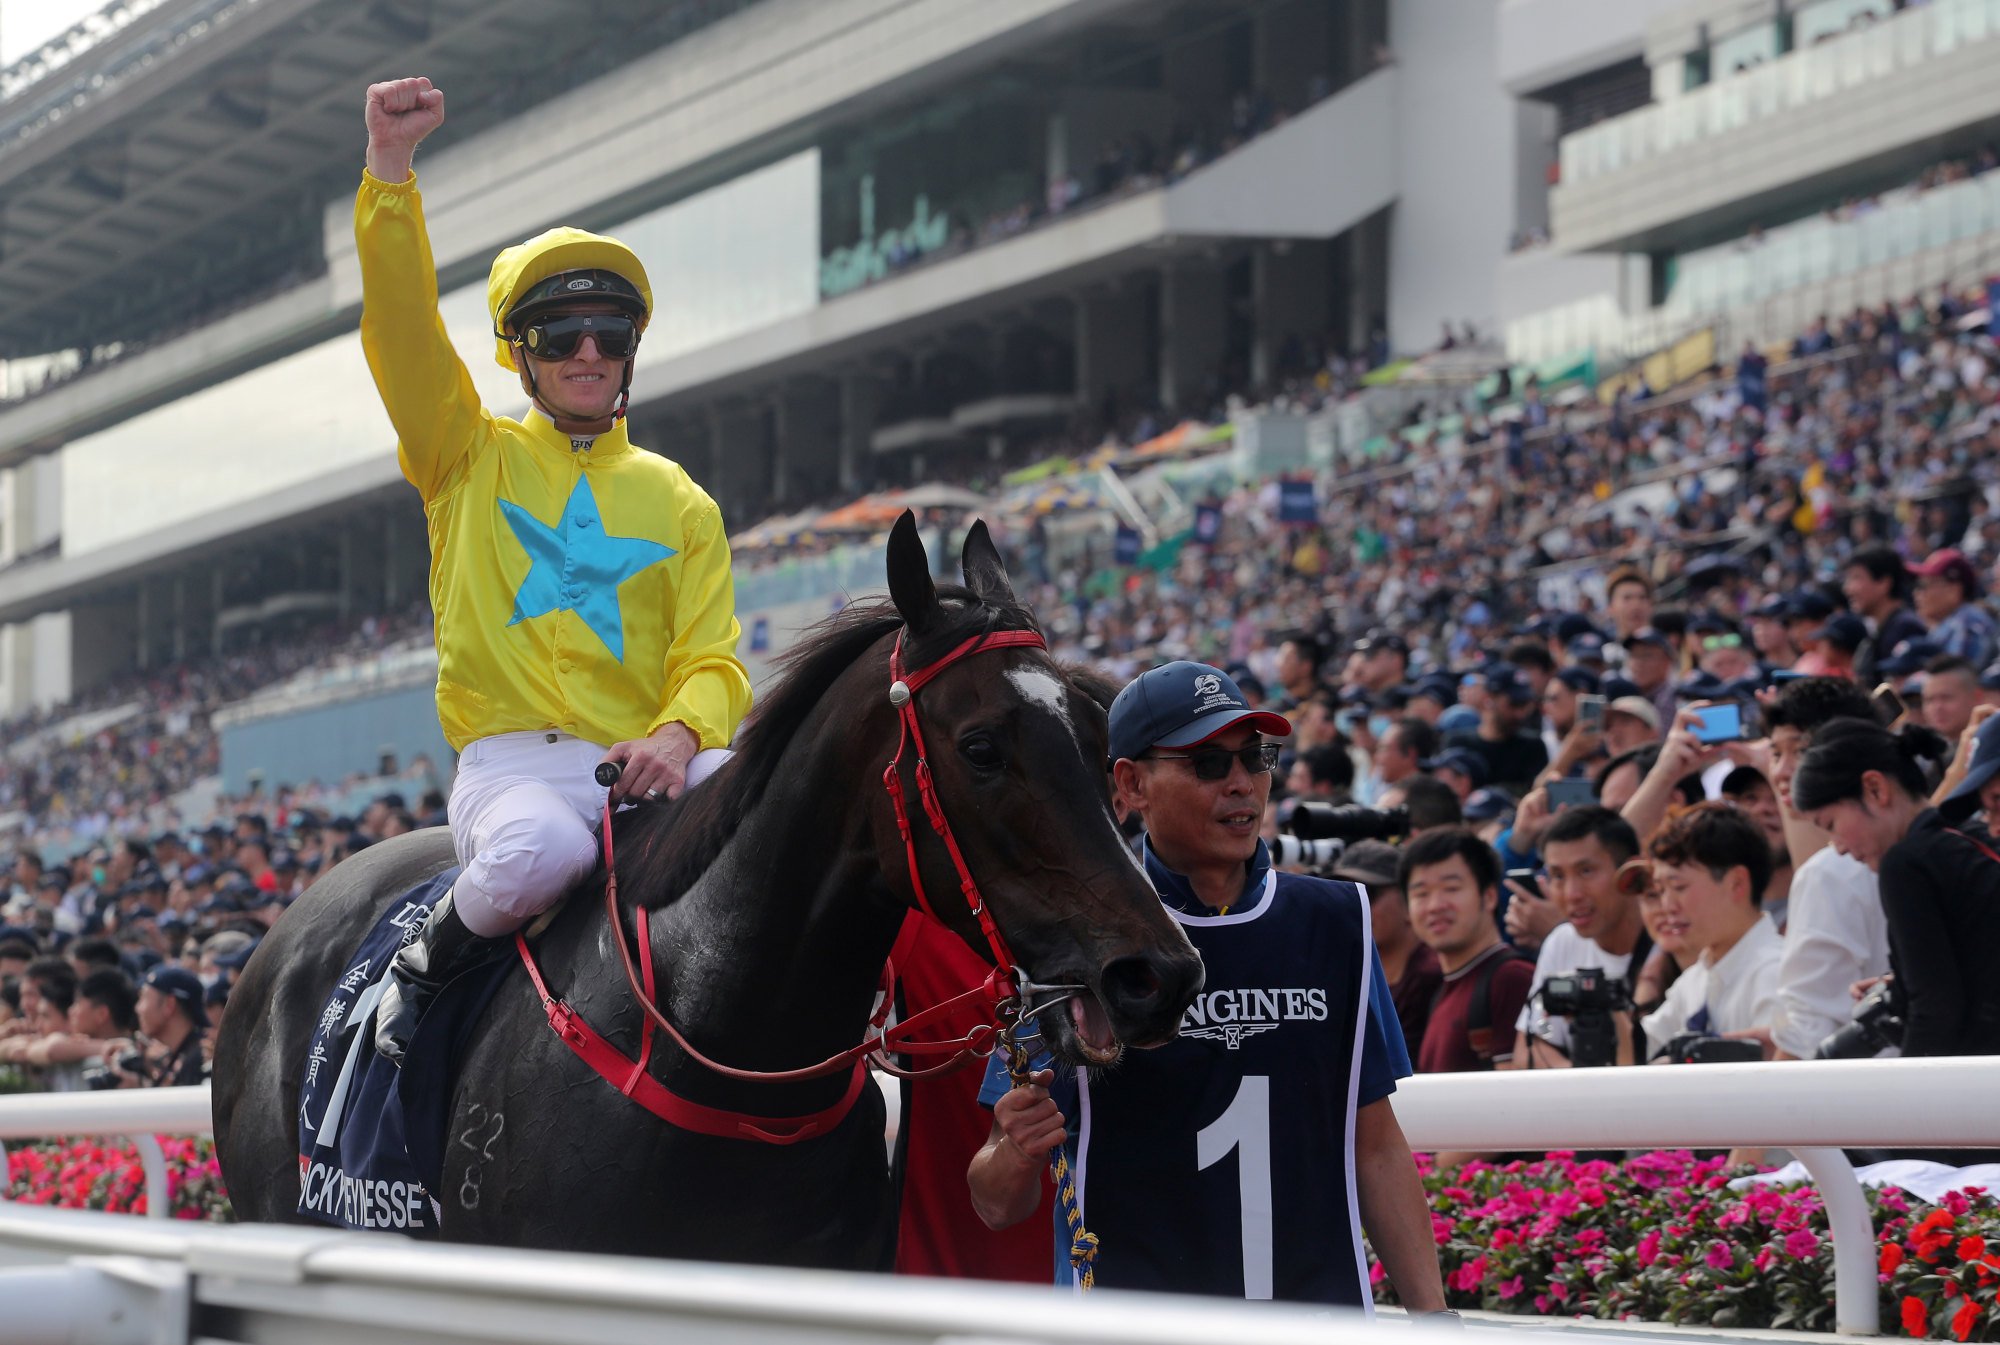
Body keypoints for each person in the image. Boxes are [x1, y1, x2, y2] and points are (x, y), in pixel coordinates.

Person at [356, 76, 753, 1060]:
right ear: (518, 352)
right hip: (514, 772)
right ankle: (418, 969)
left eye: (609, 334)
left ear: (629, 352)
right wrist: (390, 175)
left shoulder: (680, 498)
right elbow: (403, 333)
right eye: (558, 334)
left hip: (652, 762)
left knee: (776, 804)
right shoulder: (463, 453)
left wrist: (677, 732)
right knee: (543, 852)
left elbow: (713, 659)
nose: (587, 351)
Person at [968, 661, 1446, 1315]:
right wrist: (1015, 1148)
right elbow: (996, 1202)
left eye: (1255, 757)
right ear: (1131, 784)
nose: (1242, 783)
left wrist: (1436, 1319)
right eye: (1209, 763)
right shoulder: (1074, 942)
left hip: (1317, 1321)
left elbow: (1377, 1145)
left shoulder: (1339, 923)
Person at [1794, 719, 2000, 1057]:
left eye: (1831, 825)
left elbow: (1935, 1012)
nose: (1838, 848)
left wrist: (1908, 1087)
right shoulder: (1969, 837)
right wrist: (1904, 982)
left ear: (1875, 789)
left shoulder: (1905, 863)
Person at [1761, 677, 1892, 1060]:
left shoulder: (1830, 874)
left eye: (1800, 751)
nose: (1782, 771)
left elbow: (1806, 1034)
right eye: (1774, 753)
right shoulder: (1918, 846)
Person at [1636, 804, 1785, 1060]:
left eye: (1678, 886)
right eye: (1660, 890)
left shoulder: (1777, 973)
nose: (1667, 906)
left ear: (1736, 883)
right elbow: (1637, 1055)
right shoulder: (1696, 978)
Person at [1508, 807, 1648, 1069]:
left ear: (1629, 874)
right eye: (1558, 876)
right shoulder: (1562, 941)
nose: (1572, 893)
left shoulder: (1668, 939)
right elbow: (1530, 1045)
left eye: (1586, 871)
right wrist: (1585, 1084)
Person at [1402, 829, 1533, 1073]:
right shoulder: (1442, 989)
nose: (1435, 906)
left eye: (1451, 888)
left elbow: (1515, 1091)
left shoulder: (1511, 979)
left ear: (1490, 896)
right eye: (1421, 894)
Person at [1331, 841, 1439, 1059]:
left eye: (1367, 894)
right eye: (1345, 895)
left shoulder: (1432, 976)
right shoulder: (1340, 977)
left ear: (1408, 899)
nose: (1356, 907)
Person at [1842, 546, 1926, 686]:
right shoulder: (1881, 627)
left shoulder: (1906, 628)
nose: (1847, 589)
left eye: (1856, 577)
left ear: (1884, 583)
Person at [1911, 548, 1996, 669]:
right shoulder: (1952, 622)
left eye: (1924, 586)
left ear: (1954, 591)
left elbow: (1957, 680)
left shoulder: (1965, 627)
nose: (1917, 593)